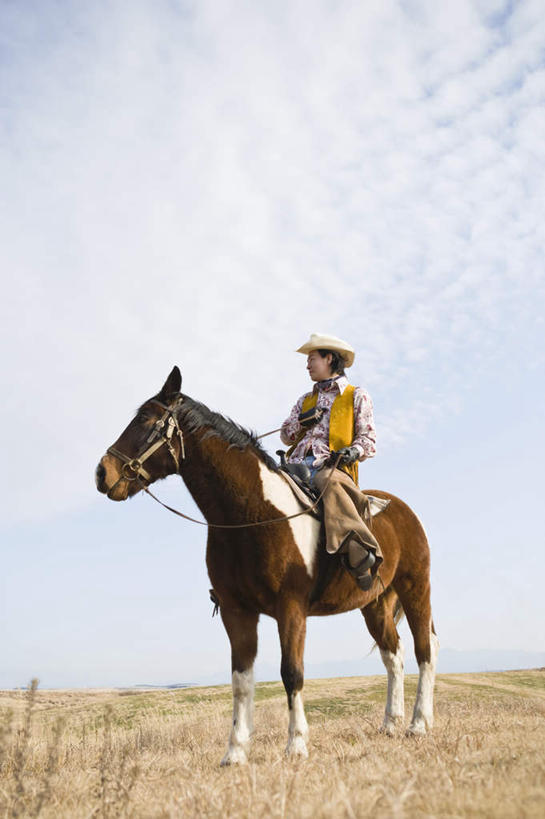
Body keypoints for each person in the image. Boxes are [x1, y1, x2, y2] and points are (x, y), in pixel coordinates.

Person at [280, 333, 383, 591]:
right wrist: (301, 421)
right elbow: (285, 436)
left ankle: (358, 548)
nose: (307, 365)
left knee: (327, 481)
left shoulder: (356, 395)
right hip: (295, 466)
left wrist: (353, 452)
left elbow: (368, 439)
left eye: (312, 359)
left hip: (331, 466)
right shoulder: (305, 400)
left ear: (329, 359)